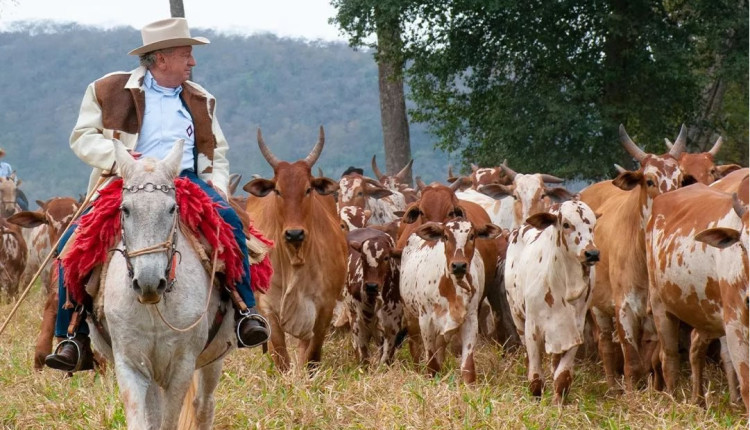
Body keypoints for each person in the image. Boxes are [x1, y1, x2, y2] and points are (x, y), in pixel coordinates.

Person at [45, 18, 269, 372]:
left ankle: (246, 312)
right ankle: (71, 336)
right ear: (161, 59)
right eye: (186, 55)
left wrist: (218, 188)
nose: (192, 62)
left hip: (184, 180)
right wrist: (122, 160)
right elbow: (83, 137)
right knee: (72, 244)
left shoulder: (201, 99)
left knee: (228, 221)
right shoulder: (109, 89)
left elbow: (218, 152)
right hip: (127, 179)